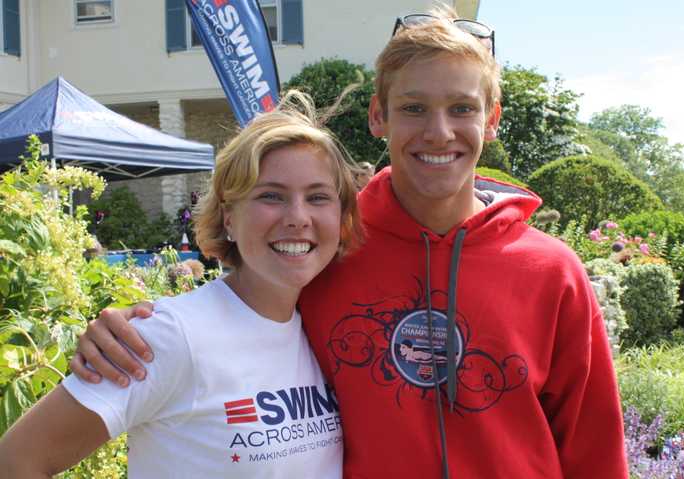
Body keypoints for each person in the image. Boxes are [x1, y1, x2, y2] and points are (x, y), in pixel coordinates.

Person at [61, 6, 629, 478]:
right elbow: (240, 316)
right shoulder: (332, 251)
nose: (438, 132)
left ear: (493, 119)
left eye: (462, 108)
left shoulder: (552, 271)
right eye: (413, 108)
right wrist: (128, 329)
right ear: (378, 116)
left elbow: (595, 450)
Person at [0, 90, 362, 478]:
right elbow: (18, 461)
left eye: (318, 197)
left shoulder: (326, 328)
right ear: (228, 218)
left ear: (341, 220)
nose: (298, 217)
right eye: (271, 195)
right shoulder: (170, 335)